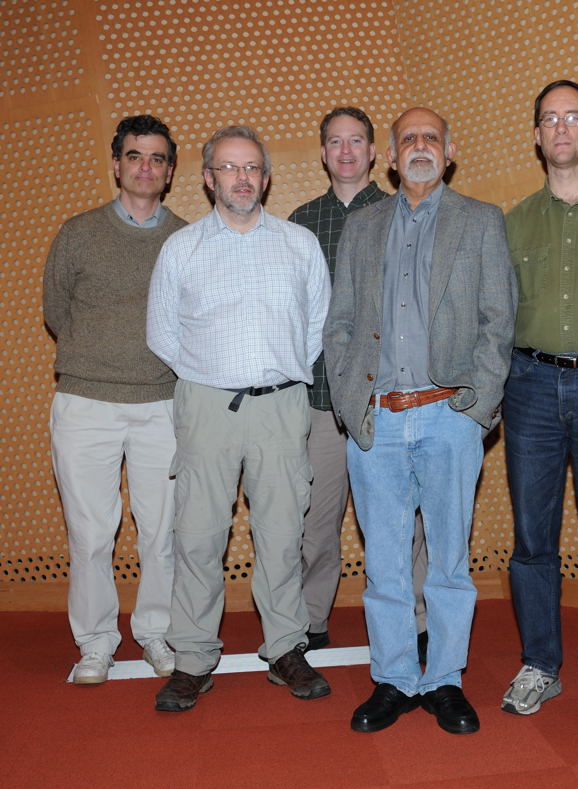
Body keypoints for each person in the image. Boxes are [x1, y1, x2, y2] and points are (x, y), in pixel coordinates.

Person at [325, 107, 516, 735]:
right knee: (383, 565)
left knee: (448, 564)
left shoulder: (481, 220)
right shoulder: (362, 226)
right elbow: (340, 324)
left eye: (431, 137)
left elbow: (498, 322)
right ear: (390, 157)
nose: (420, 147)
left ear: (449, 151)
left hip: (448, 418)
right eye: (408, 139)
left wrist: (475, 411)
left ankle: (444, 680)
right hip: (377, 421)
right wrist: (351, 402)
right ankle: (395, 678)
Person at [146, 125, 332, 711]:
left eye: (251, 167)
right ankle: (193, 657)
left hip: (282, 406)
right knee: (198, 537)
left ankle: (285, 648)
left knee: (282, 534)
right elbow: (162, 333)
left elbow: (316, 326)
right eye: (229, 168)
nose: (241, 178)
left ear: (266, 178)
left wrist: (274, 375)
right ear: (208, 179)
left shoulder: (299, 244)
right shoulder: (182, 249)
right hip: (206, 406)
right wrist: (213, 374)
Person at [43, 114, 186, 685]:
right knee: (91, 533)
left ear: (170, 172)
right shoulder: (77, 233)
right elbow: (57, 311)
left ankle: (156, 633)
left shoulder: (187, 240)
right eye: (134, 156)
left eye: (156, 158)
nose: (145, 167)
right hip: (85, 403)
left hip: (162, 404)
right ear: (116, 164)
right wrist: (101, 356)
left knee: (162, 532)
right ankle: (96, 643)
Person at [500, 80, 578, 720]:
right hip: (528, 388)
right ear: (536, 135)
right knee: (532, 538)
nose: (561, 128)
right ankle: (540, 664)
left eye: (573, 117)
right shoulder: (513, 220)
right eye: (549, 118)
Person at [288, 106, 429, 658]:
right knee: (315, 520)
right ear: (323, 153)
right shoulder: (300, 222)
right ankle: (310, 618)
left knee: (403, 520)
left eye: (356, 141)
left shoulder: (404, 212)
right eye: (335, 142)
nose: (345, 151)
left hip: (388, 398)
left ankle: (417, 619)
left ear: (374, 152)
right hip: (321, 399)